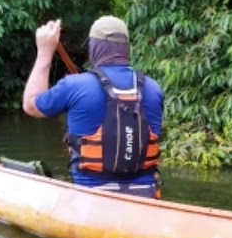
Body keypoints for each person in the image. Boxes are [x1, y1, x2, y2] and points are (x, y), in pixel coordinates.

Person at [22, 15, 165, 199]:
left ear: (93, 47)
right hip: (147, 197)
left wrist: (44, 52)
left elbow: (31, 105)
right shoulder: (154, 89)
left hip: (91, 199)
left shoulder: (74, 85)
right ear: (126, 48)